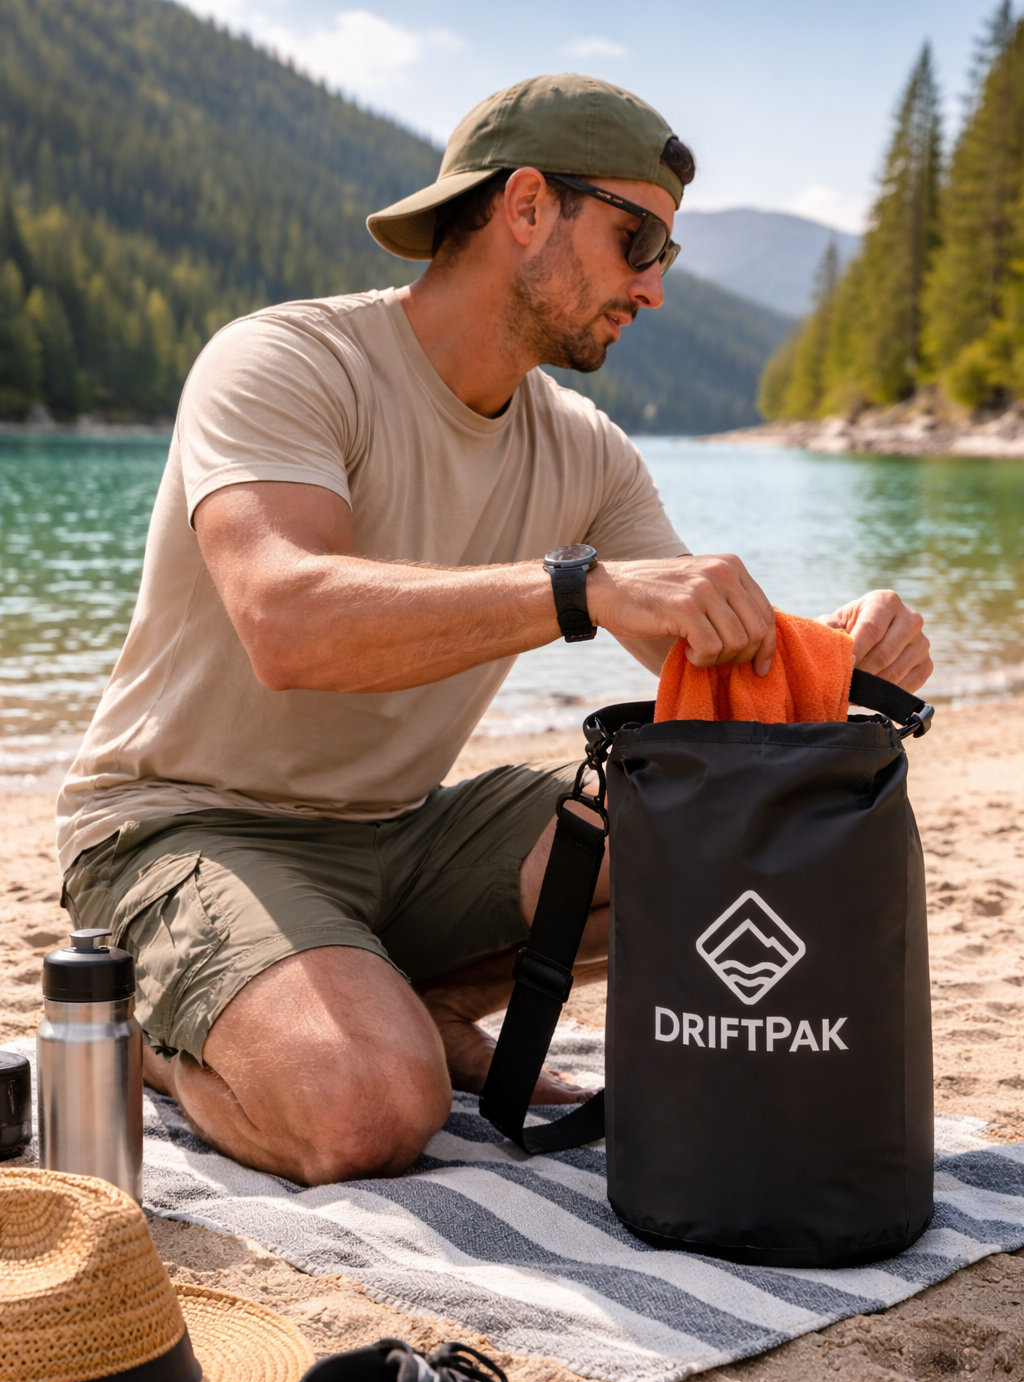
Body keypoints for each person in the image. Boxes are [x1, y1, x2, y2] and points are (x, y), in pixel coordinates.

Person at [56, 75, 932, 1187]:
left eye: (664, 254)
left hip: (403, 836)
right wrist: (577, 590)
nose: (655, 288)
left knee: (733, 821)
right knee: (370, 1110)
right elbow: (288, 622)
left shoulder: (587, 449)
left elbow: (697, 643)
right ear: (525, 206)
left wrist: (840, 652)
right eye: (636, 241)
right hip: (180, 829)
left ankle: (397, 997)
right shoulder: (286, 361)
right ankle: (152, 1035)